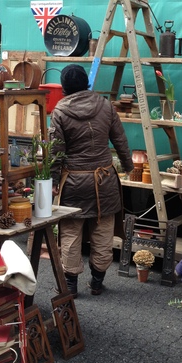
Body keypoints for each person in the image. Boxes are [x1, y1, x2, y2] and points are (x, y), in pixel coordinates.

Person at [49, 64, 134, 297]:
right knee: (103, 231)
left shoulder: (60, 111)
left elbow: (55, 151)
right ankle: (97, 283)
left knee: (70, 232)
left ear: (64, 88)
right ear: (87, 82)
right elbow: (120, 140)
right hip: (104, 180)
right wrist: (128, 166)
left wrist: (52, 180)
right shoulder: (106, 106)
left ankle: (71, 286)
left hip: (74, 183)